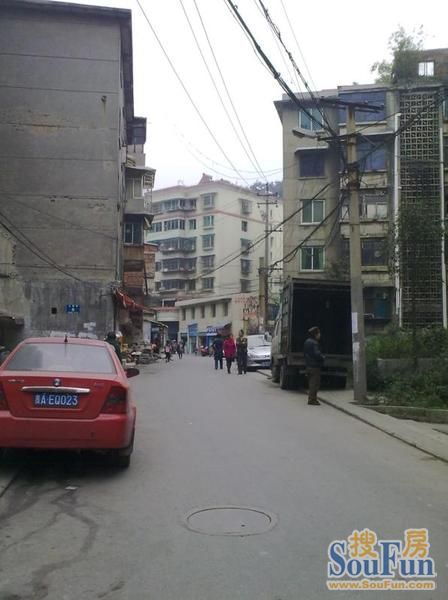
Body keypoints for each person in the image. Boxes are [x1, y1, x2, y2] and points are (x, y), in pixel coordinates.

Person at [304, 326, 325, 405]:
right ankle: (312, 399)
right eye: (319, 333)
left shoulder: (307, 341)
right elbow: (317, 354)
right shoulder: (314, 343)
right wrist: (322, 357)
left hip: (308, 365)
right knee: (315, 384)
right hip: (314, 366)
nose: (320, 335)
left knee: (311, 383)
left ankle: (312, 398)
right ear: (315, 334)